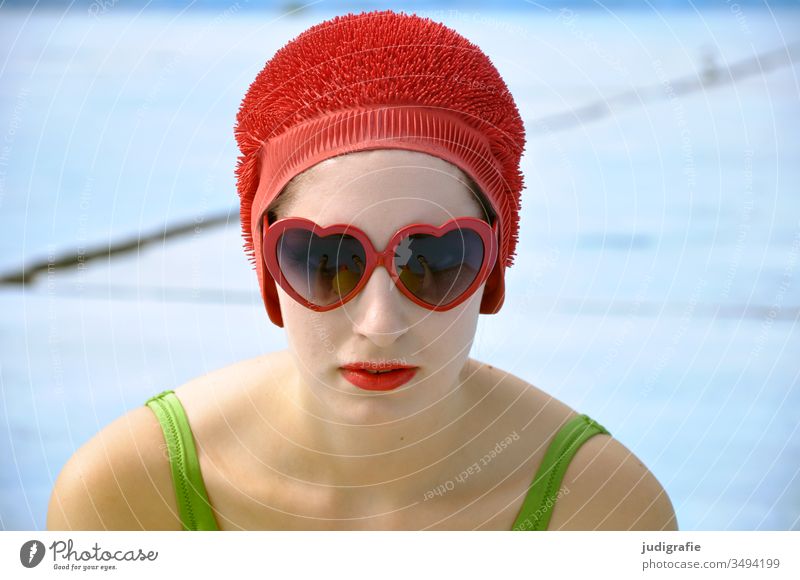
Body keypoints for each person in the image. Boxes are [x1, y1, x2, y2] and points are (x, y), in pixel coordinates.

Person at [47, 10, 677, 531]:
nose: (380, 325)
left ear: (493, 270)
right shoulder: (128, 493)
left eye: (435, 261)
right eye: (327, 261)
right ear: (266, 269)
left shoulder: (602, 510)